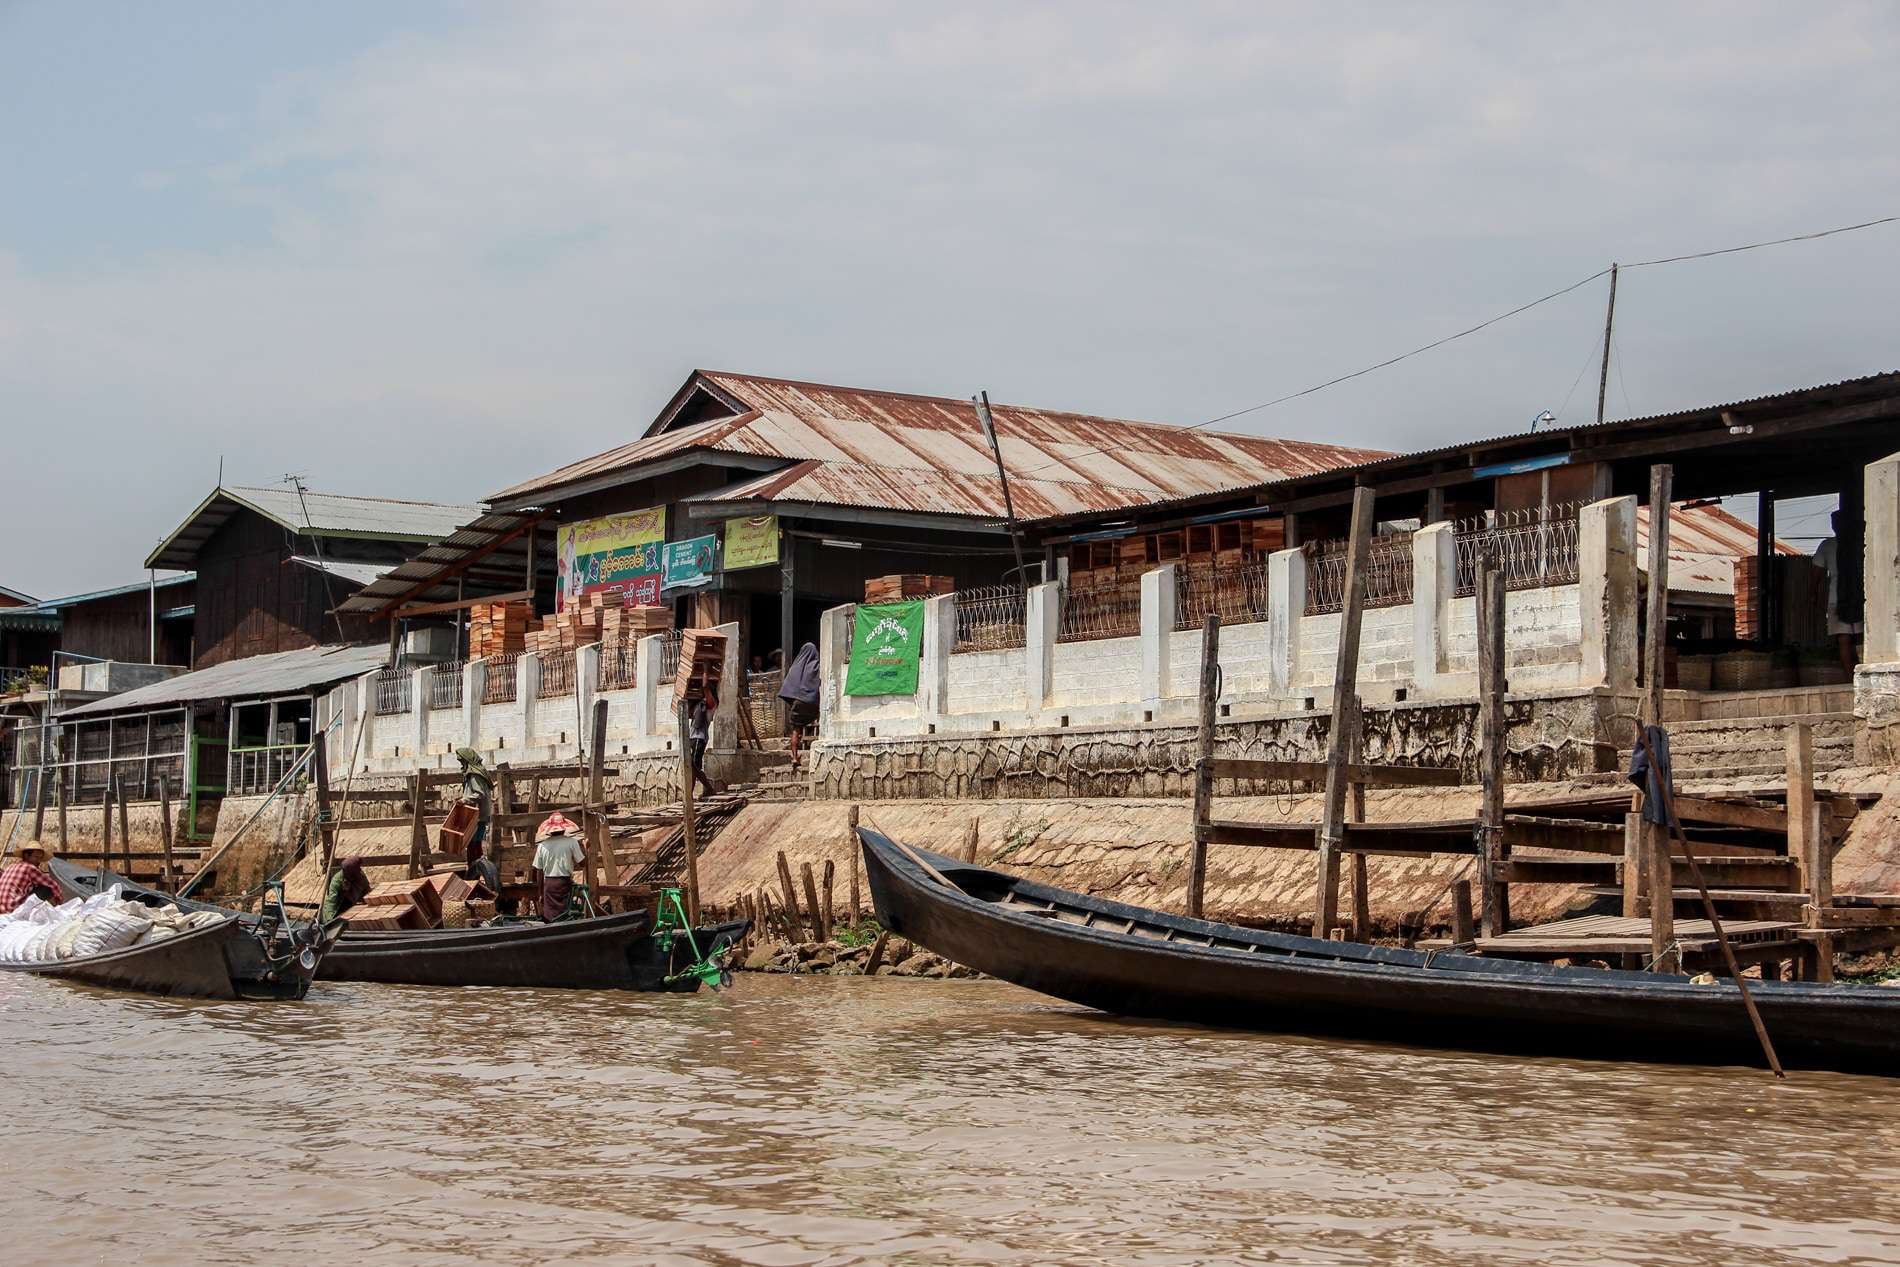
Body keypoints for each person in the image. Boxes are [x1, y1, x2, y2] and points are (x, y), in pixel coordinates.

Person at [1813, 510, 1862, 675]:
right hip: (1859, 597)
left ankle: (1850, 676)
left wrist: (1814, 595)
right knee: (1861, 637)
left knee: (1844, 639)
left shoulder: (1827, 545)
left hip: (1838, 598)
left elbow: (1816, 575)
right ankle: (1862, 672)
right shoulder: (1859, 544)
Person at [531, 811, 585, 922]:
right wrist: (584, 847)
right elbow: (583, 863)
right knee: (564, 914)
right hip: (564, 883)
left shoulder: (542, 845)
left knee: (550, 916)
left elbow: (539, 871)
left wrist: (540, 892)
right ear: (564, 828)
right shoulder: (571, 842)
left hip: (549, 884)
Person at [454, 747, 496, 885]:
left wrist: (464, 800)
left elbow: (479, 794)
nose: (461, 764)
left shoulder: (474, 775)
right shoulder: (475, 772)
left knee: (474, 846)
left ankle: (474, 875)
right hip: (478, 816)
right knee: (474, 844)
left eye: (461, 761)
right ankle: (475, 874)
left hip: (477, 816)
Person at [778, 641, 820, 763]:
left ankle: (795, 757)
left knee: (796, 729)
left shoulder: (796, 667)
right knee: (814, 721)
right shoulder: (816, 666)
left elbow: (789, 685)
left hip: (798, 702)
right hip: (812, 705)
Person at [0, 841, 61, 914]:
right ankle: (52, 912)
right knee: (47, 889)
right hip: (14, 910)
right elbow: (54, 885)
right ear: (26, 856)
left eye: (40, 858)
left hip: (2, 909)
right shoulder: (30, 868)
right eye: (36, 857)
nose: (38, 861)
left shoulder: (10, 866)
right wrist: (59, 902)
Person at [320, 857, 372, 924]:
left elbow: (367, 890)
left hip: (354, 901)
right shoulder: (337, 880)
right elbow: (332, 902)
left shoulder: (360, 875)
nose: (359, 870)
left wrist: (370, 901)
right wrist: (329, 920)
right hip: (340, 906)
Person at [688, 684, 716, 797]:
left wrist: (705, 670)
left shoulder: (710, 704)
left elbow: (705, 686)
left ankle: (709, 788)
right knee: (694, 767)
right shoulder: (698, 705)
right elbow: (688, 713)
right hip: (693, 738)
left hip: (700, 738)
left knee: (693, 766)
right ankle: (689, 794)